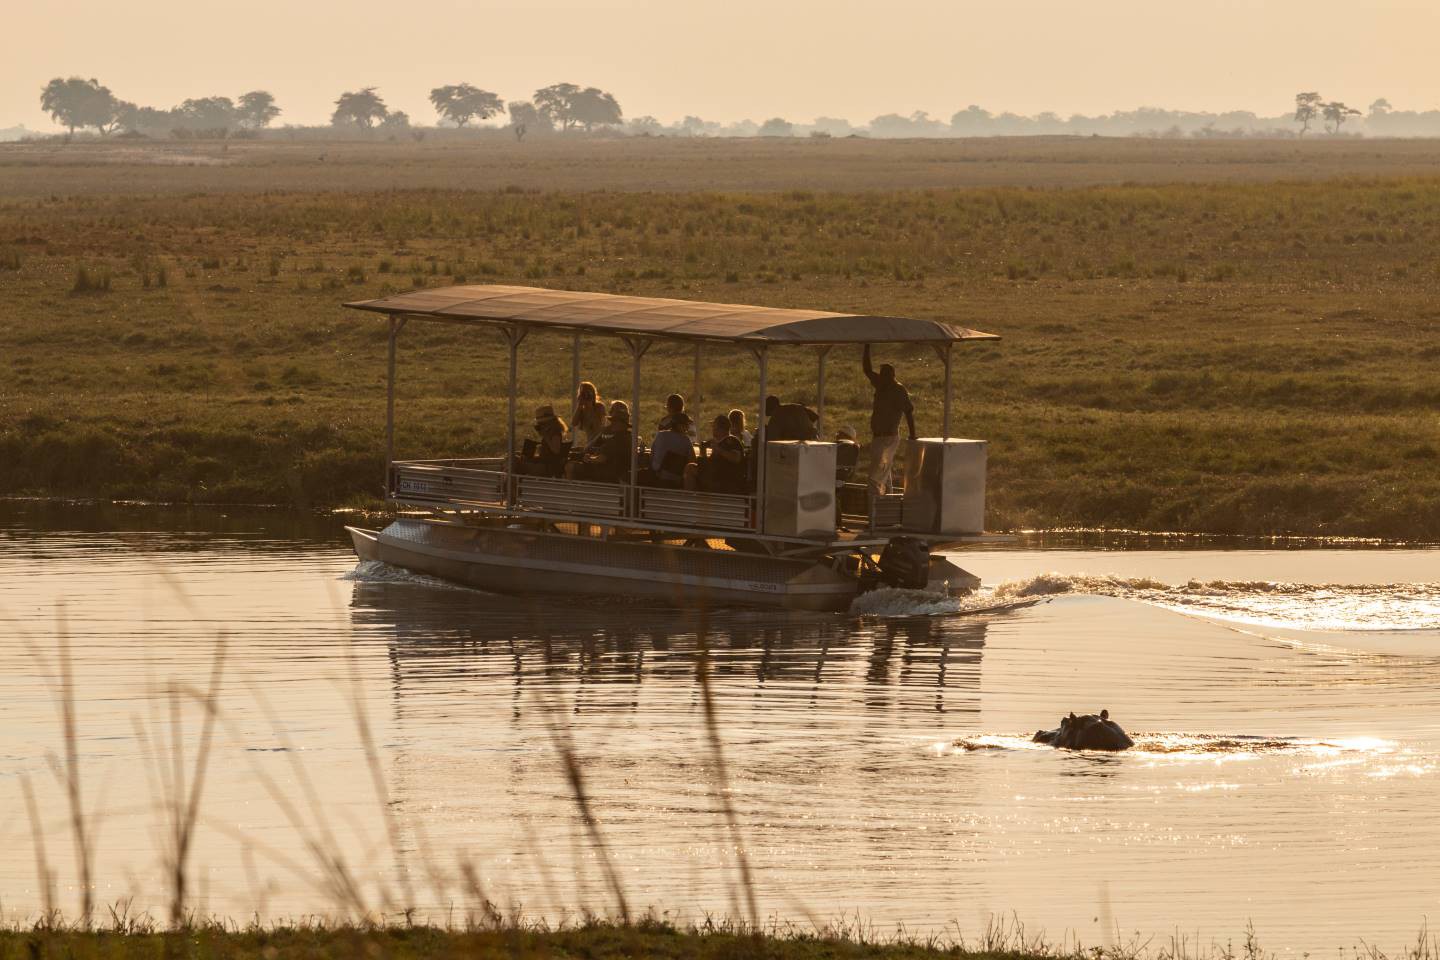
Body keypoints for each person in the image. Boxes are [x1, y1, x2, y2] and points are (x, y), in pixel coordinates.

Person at [861, 345, 916, 496]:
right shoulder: (881, 384)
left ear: (892, 375)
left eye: (885, 375)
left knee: (875, 477)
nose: (881, 377)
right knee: (884, 474)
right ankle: (887, 507)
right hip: (878, 437)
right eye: (881, 374)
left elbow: (909, 412)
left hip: (888, 438)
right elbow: (867, 369)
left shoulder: (898, 390)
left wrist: (912, 436)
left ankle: (874, 510)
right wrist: (867, 347)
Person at [566, 400, 632, 483]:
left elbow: (602, 458)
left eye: (614, 420)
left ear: (621, 423)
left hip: (606, 473)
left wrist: (589, 458)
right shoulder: (622, 435)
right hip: (603, 468)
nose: (612, 423)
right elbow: (592, 446)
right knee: (572, 459)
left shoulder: (619, 438)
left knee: (571, 467)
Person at [686, 414, 747, 494]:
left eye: (714, 427)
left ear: (722, 429)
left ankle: (689, 498)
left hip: (725, 479)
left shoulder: (731, 440)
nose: (713, 430)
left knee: (690, 468)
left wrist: (719, 449)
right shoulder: (719, 443)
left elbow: (736, 458)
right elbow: (708, 465)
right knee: (691, 466)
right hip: (716, 477)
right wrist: (703, 452)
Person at [515, 404, 570, 477]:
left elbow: (556, 450)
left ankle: (510, 486)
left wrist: (545, 436)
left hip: (546, 467)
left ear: (549, 422)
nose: (541, 425)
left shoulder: (555, 433)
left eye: (542, 423)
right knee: (515, 457)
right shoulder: (550, 432)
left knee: (515, 463)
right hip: (543, 464)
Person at [648, 409, 694, 487]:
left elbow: (652, 455)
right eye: (686, 425)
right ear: (679, 425)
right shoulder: (685, 440)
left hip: (655, 477)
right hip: (675, 481)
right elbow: (692, 461)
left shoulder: (660, 435)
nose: (688, 428)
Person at [570, 381, 605, 449]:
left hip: (600, 441)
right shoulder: (582, 410)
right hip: (590, 442)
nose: (586, 396)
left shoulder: (599, 406)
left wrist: (590, 406)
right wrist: (579, 406)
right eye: (583, 393)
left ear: (593, 394)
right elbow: (574, 423)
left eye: (588, 393)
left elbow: (598, 426)